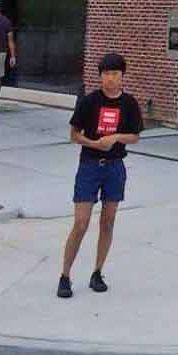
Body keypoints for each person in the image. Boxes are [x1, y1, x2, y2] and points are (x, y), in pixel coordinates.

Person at [57, 52, 143, 299]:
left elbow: (135, 136)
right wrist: (95, 144)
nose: (111, 79)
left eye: (115, 74)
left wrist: (115, 137)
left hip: (115, 166)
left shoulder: (129, 103)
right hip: (90, 166)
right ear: (100, 76)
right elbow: (74, 135)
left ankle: (97, 272)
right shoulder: (90, 101)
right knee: (81, 222)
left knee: (108, 221)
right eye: (106, 74)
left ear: (123, 76)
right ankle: (65, 275)